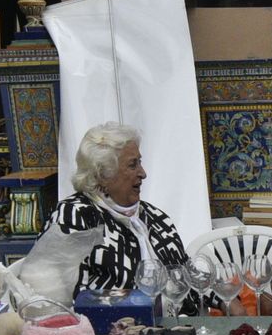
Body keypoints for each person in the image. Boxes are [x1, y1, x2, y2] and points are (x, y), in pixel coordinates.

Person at [51, 122, 200, 305]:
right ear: (103, 175)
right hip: (114, 329)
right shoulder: (74, 216)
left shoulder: (155, 217)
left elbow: (186, 272)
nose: (143, 173)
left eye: (140, 162)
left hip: (177, 323)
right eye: (132, 165)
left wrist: (224, 299)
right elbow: (66, 298)